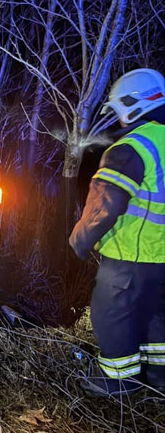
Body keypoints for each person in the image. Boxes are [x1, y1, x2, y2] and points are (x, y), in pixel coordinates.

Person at [69, 68, 165, 397]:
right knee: (156, 315)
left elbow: (104, 206)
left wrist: (80, 241)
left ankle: (117, 381)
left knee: (112, 314)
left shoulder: (131, 149)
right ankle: (158, 377)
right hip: (162, 260)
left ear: (129, 105)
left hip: (131, 256)